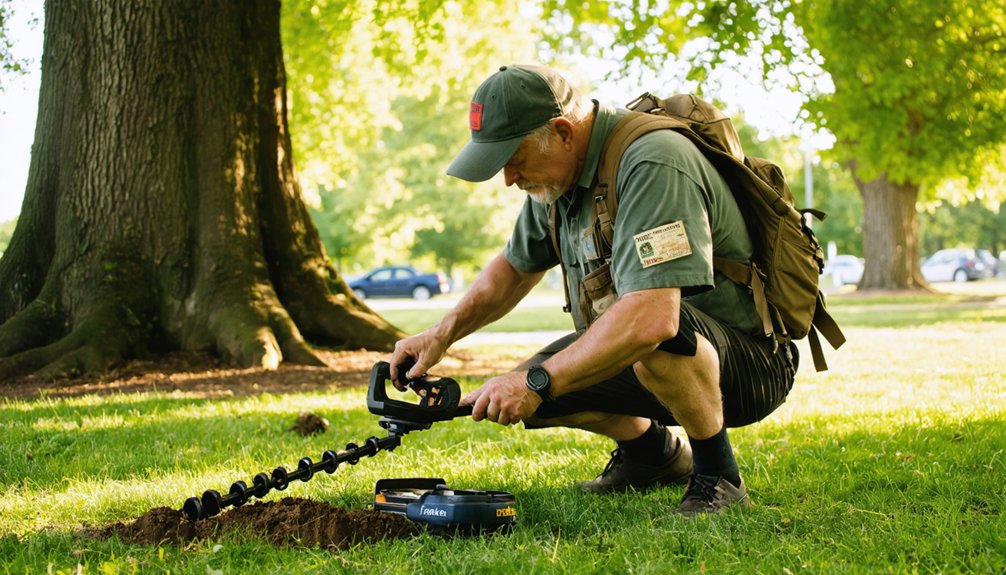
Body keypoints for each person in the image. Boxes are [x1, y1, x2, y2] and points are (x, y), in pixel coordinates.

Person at [389, 64, 798, 515]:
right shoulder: (555, 184)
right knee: (535, 397)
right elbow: (512, 269)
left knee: (639, 335)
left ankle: (718, 475)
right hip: (661, 349)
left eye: (514, 158)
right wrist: (440, 335)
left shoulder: (652, 161)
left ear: (563, 131)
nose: (508, 179)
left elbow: (652, 319)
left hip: (750, 361)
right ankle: (653, 455)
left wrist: (535, 382)